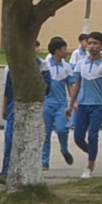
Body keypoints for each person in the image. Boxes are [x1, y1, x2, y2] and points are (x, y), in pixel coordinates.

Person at [71, 32, 102, 173]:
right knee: (78, 137)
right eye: (90, 43)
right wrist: (71, 104)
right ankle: (92, 153)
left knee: (93, 135)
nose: (92, 46)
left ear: (101, 45)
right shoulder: (81, 64)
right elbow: (76, 84)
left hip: (97, 106)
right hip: (82, 105)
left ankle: (90, 165)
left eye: (95, 43)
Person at [39, 37, 74, 170]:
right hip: (47, 103)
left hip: (61, 103)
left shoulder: (67, 66)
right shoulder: (45, 65)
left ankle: (64, 149)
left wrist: (72, 101)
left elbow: (70, 85)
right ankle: (44, 161)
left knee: (62, 129)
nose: (66, 51)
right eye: (64, 49)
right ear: (57, 51)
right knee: (45, 133)